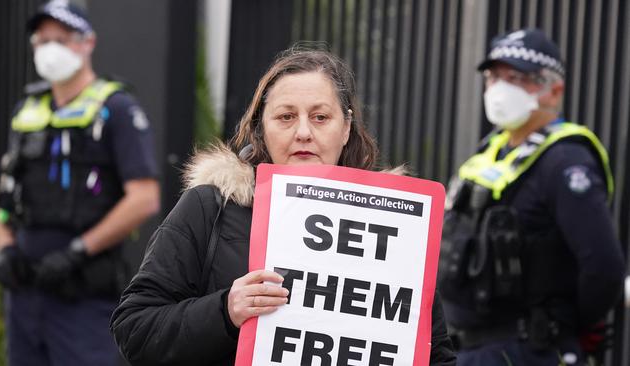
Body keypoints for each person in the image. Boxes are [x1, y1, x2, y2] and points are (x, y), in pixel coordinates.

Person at [110, 47, 456, 365]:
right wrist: (225, 310)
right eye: (286, 117)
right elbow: (135, 328)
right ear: (262, 129)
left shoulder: (392, 227)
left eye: (320, 117)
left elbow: (434, 353)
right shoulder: (211, 207)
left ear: (346, 128)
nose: (303, 132)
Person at [437, 28, 626, 365]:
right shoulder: (491, 150)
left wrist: (563, 327)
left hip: (526, 349)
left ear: (554, 90)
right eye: (494, 76)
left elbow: (604, 267)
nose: (499, 88)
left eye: (517, 77)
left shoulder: (566, 159)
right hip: (466, 349)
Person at [0, 1, 160, 365]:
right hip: (25, 290)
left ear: (87, 42)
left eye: (62, 39)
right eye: (42, 39)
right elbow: (5, 195)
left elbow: (144, 198)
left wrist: (78, 251)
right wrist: (4, 248)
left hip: (82, 290)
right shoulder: (27, 111)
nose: (50, 48)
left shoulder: (116, 109)